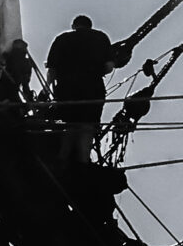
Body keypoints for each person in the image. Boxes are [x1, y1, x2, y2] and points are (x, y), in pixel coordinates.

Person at [45, 15, 129, 162]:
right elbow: (109, 67)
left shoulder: (62, 39)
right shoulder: (101, 37)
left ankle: (62, 159)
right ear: (90, 26)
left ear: (74, 26)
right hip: (93, 89)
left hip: (67, 90)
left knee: (70, 124)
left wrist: (46, 89)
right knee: (88, 126)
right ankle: (83, 162)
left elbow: (52, 70)